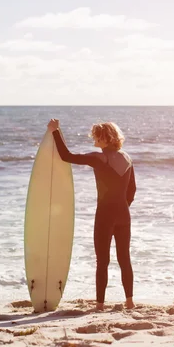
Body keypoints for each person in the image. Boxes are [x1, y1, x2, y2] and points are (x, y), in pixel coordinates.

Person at [47, 119, 136, 311]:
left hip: (105, 215)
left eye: (96, 135)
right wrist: (121, 207)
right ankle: (129, 302)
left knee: (102, 261)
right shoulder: (127, 158)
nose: (93, 138)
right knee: (124, 259)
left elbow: (66, 156)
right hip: (123, 215)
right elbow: (132, 190)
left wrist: (55, 131)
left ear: (104, 138)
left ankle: (100, 305)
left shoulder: (98, 158)